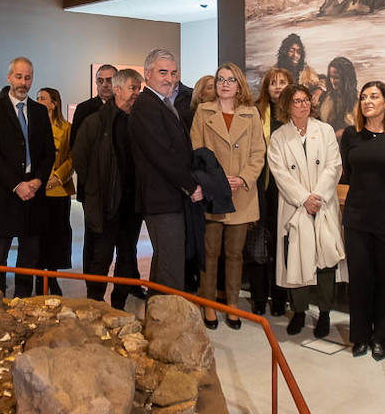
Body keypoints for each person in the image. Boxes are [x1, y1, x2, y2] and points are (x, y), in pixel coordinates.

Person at [338, 80, 385, 360]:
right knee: (360, 279)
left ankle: (382, 336)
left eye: (374, 97)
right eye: (364, 97)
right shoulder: (351, 136)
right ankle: (360, 336)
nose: (367, 101)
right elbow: (349, 173)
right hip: (357, 216)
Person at [190, 63, 266, 330]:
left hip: (241, 194)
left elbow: (258, 153)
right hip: (213, 193)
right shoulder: (203, 111)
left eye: (230, 80)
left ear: (239, 85)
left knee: (235, 254)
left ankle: (232, 305)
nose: (224, 84)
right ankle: (208, 304)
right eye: (220, 79)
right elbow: (196, 152)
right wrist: (216, 182)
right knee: (209, 253)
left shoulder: (251, 114)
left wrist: (243, 178)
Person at [266, 83, 344, 338]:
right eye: (297, 101)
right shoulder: (279, 138)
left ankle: (324, 313)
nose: (303, 105)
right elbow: (280, 175)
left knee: (324, 261)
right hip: (295, 208)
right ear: (287, 106)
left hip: (322, 205)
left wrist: (317, 197)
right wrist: (303, 199)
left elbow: (334, 166)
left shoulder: (325, 131)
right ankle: (299, 312)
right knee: (296, 260)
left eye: (306, 100)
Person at [130, 48, 203, 291]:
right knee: (171, 269)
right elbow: (162, 155)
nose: (169, 79)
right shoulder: (146, 106)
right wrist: (191, 185)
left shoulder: (160, 103)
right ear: (147, 74)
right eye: (163, 72)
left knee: (164, 266)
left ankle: (159, 322)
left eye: (173, 73)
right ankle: (170, 325)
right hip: (161, 200)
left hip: (169, 197)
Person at [0, 57, 55, 298]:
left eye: (28, 77)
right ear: (9, 78)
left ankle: (24, 301)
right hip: (4, 192)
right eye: (19, 77)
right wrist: (16, 184)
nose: (23, 82)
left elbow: (47, 152)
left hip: (34, 193)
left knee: (29, 253)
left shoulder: (40, 111)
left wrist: (37, 181)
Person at [73, 68, 145, 310]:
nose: (137, 93)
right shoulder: (95, 122)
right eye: (133, 88)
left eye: (139, 88)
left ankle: (119, 305)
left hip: (131, 204)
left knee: (127, 254)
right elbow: (80, 159)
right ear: (118, 90)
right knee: (100, 256)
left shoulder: (139, 121)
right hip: (105, 203)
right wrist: (96, 189)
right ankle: (94, 304)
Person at [248, 67, 293, 316]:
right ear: (266, 87)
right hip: (260, 188)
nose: (277, 87)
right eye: (272, 82)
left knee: (282, 246)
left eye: (282, 82)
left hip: (286, 190)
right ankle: (257, 298)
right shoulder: (257, 112)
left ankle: (279, 298)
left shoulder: (295, 114)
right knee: (258, 246)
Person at [35, 86, 74, 295]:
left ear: (54, 103)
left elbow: (72, 157)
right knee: (37, 235)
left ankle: (53, 276)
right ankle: (38, 277)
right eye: (38, 98)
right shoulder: (31, 127)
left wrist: (58, 177)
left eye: (43, 98)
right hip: (37, 190)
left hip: (58, 191)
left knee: (56, 235)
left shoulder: (66, 128)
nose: (39, 101)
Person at [71, 64, 117, 142]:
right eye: (100, 81)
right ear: (96, 83)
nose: (104, 85)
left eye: (109, 80)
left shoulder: (125, 108)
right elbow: (75, 142)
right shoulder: (83, 108)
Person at [319, 56, 357, 132]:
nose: (332, 81)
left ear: (346, 78)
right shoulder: (325, 97)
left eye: (336, 77)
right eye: (330, 77)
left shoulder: (357, 99)